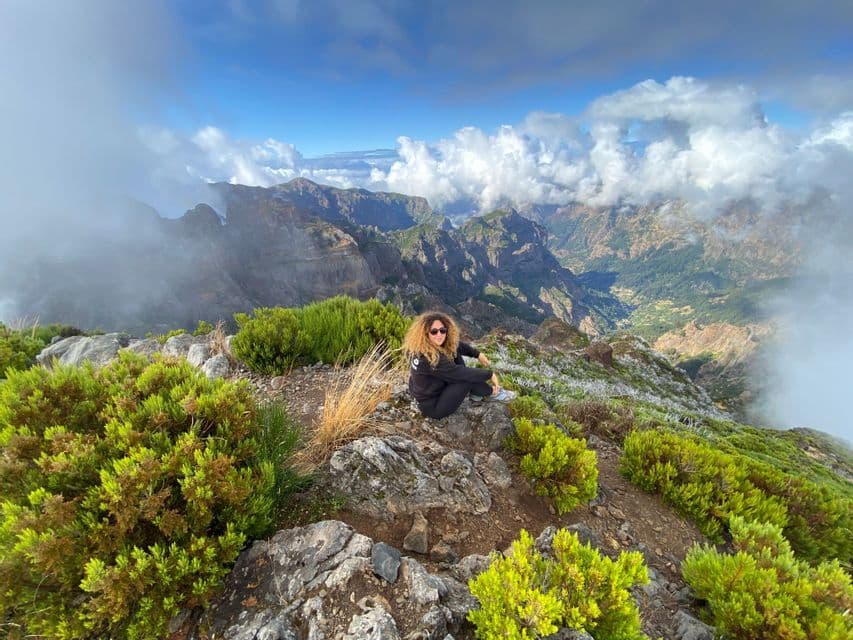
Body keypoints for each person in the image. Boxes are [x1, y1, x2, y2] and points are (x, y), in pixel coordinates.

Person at [402, 311, 516, 419]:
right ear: (425, 334)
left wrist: (478, 354)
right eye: (434, 331)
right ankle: (491, 392)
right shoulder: (429, 359)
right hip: (433, 407)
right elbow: (460, 373)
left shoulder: (422, 347)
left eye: (443, 330)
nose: (439, 334)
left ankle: (477, 392)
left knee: (454, 353)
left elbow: (457, 346)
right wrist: (490, 374)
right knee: (465, 379)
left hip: (429, 390)